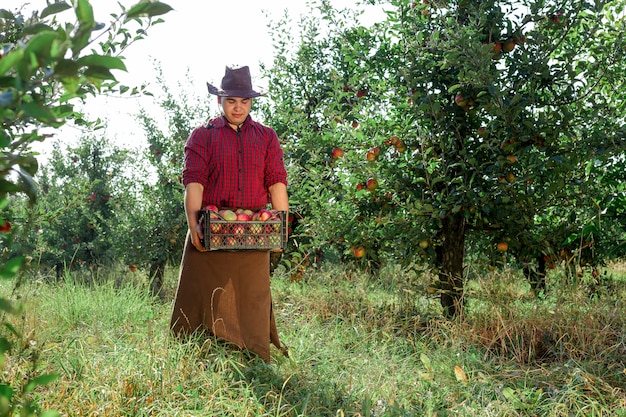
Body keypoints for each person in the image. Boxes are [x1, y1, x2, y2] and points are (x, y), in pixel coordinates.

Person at [170, 66, 289, 362]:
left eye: (244, 102)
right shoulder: (202, 136)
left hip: (254, 230)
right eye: (232, 101)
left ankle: (254, 358)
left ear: (251, 103)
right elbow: (194, 182)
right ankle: (195, 355)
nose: (238, 108)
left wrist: (281, 225)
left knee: (252, 298)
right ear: (220, 101)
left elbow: (276, 182)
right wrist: (194, 224)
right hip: (211, 226)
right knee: (199, 296)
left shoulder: (266, 137)